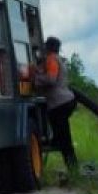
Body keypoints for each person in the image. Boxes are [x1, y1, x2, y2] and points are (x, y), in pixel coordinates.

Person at [33, 36, 78, 171]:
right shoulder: (59, 60)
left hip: (59, 103)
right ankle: (72, 166)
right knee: (62, 135)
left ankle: (73, 167)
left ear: (48, 47)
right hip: (65, 101)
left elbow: (51, 79)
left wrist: (35, 78)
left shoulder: (51, 59)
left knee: (64, 138)